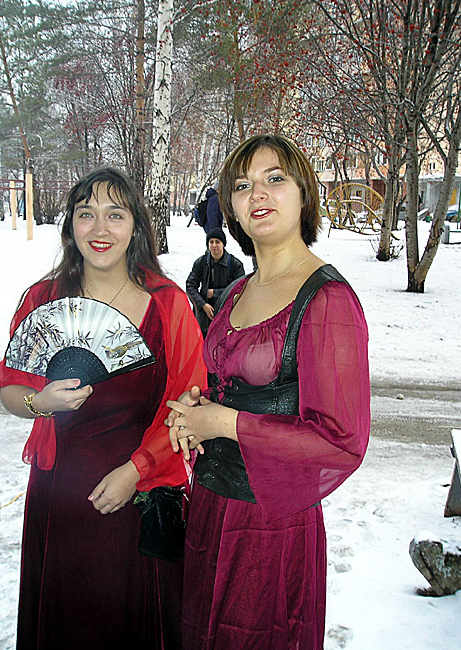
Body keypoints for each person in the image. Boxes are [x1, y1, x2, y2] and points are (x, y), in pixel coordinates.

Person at [167, 134, 370, 649]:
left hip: (270, 529)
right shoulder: (236, 290)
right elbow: (227, 386)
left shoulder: (327, 300)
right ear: (231, 208)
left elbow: (341, 442)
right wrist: (198, 410)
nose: (257, 193)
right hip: (209, 508)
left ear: (303, 194)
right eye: (242, 185)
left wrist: (224, 423)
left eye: (274, 179)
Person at [0, 167, 207, 650]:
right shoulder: (43, 299)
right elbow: (11, 388)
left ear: (135, 225)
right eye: (86, 214)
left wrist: (135, 471)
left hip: (138, 492)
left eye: (116, 214)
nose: (100, 228)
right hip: (58, 496)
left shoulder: (169, 305)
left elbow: (187, 406)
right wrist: (39, 402)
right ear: (70, 225)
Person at [186, 227, 245, 337]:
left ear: (223, 244)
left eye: (217, 242)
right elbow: (190, 286)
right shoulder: (201, 262)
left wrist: (215, 293)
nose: (214, 245)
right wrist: (203, 305)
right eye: (211, 242)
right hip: (203, 316)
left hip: (227, 314)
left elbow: (240, 290)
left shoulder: (235, 264)